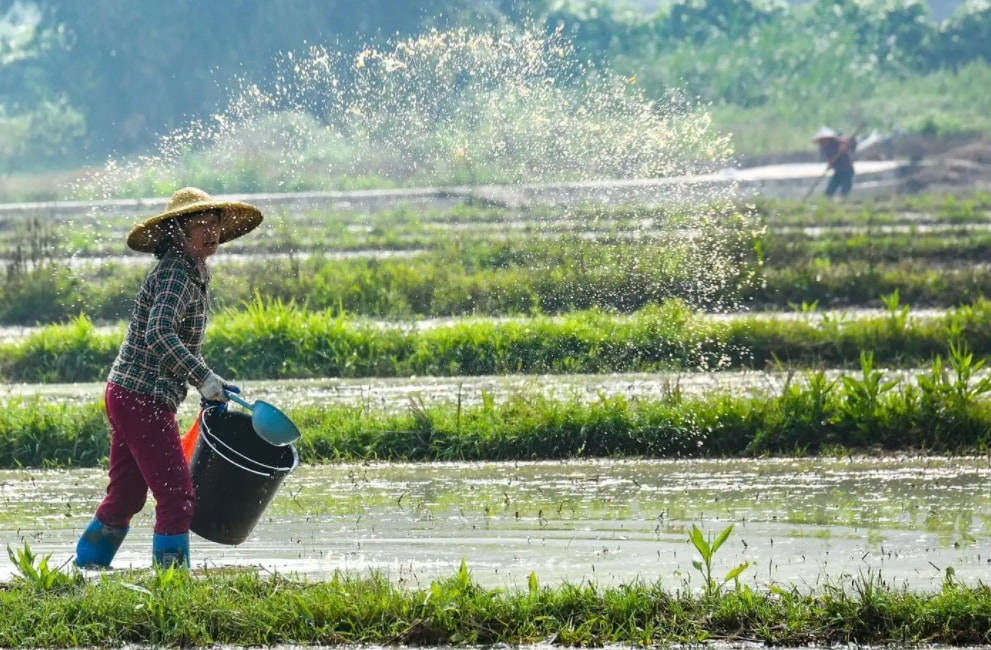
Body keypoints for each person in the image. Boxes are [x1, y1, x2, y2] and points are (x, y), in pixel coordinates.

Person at [74, 187, 262, 569]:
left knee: (127, 497)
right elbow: (158, 334)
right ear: (177, 232)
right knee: (178, 496)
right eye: (199, 224)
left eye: (214, 223)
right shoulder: (177, 272)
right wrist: (202, 377)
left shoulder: (193, 270)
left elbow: (179, 342)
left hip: (126, 392)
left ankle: (86, 569)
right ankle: (173, 586)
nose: (209, 232)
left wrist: (208, 381)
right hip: (142, 397)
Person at [813, 126, 857, 198]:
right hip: (838, 171)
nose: (822, 142)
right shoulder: (825, 148)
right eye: (821, 141)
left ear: (828, 139)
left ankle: (843, 204)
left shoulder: (838, 143)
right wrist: (830, 164)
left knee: (845, 192)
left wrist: (844, 148)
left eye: (823, 140)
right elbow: (831, 159)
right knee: (828, 193)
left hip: (847, 170)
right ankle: (826, 204)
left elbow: (852, 144)